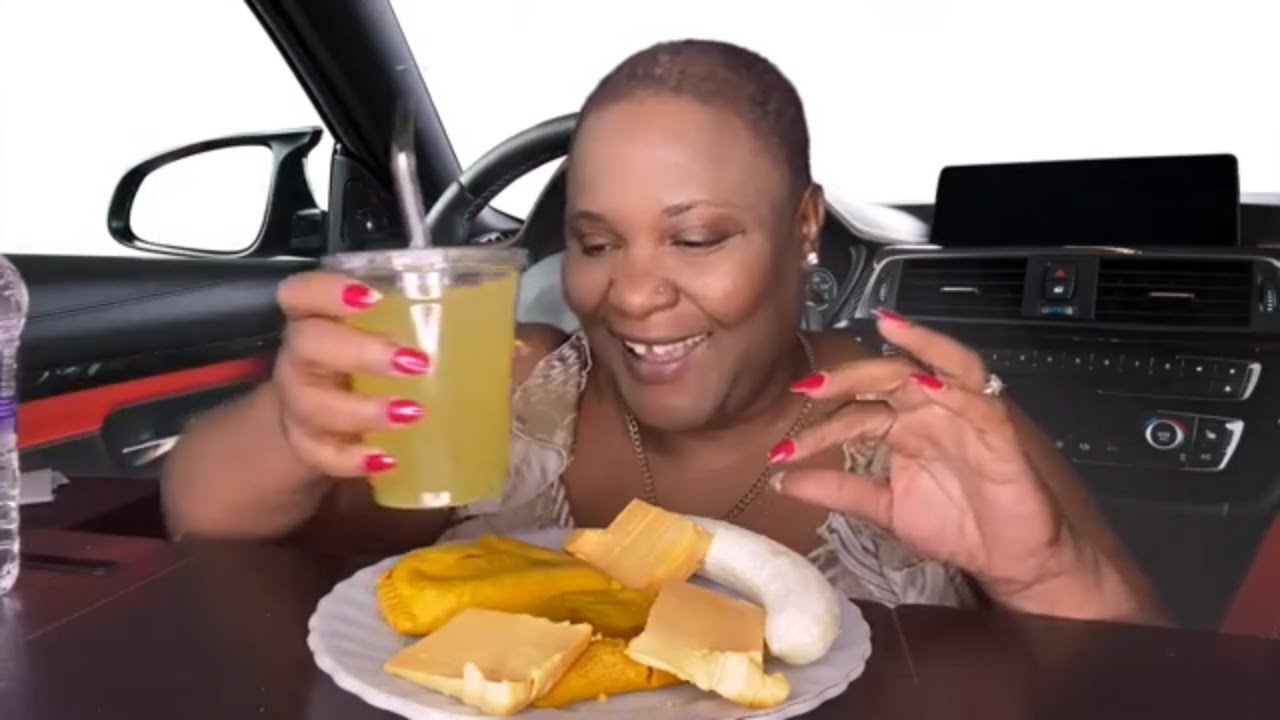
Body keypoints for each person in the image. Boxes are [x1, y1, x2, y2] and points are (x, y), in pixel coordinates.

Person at [162, 39, 1163, 623]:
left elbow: (1153, 683)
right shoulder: (500, 394)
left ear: (802, 227)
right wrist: (290, 429)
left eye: (694, 238)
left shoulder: (928, 428)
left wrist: (1041, 574)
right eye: (595, 243)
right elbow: (216, 528)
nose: (633, 295)